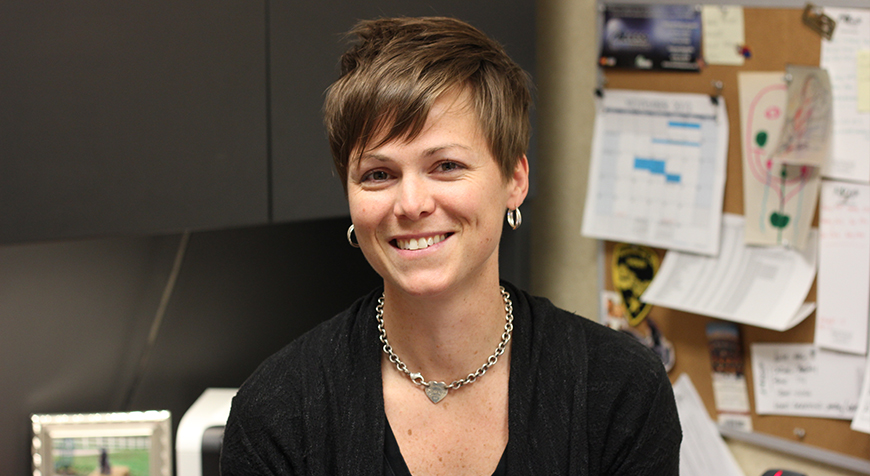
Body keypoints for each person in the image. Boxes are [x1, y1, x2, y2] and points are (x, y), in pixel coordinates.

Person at [220, 16, 681, 475]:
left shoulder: (620, 392)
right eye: (378, 174)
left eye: (445, 165)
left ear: (514, 181)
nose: (412, 204)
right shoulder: (277, 412)